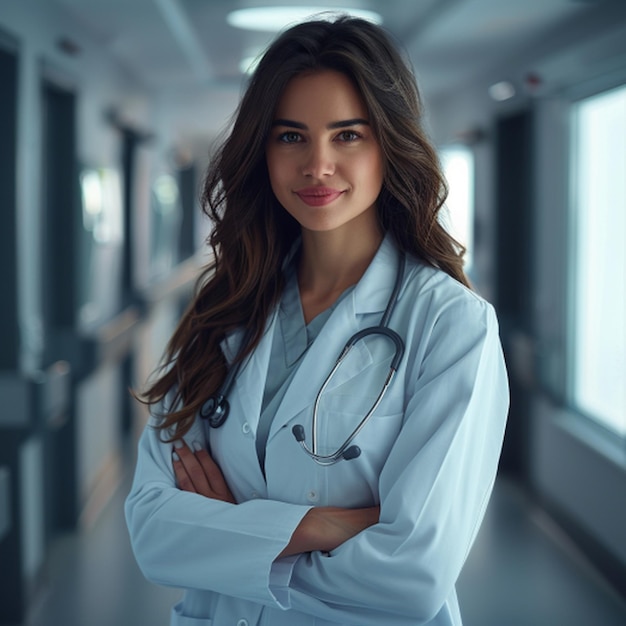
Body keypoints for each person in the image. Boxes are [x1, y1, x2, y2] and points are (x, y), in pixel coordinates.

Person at [125, 14, 508, 626]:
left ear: (391, 143)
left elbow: (412, 574)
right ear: (263, 149)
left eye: (348, 135)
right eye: (291, 137)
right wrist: (324, 526)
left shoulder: (450, 325)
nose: (318, 165)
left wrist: (228, 536)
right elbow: (151, 531)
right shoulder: (222, 307)